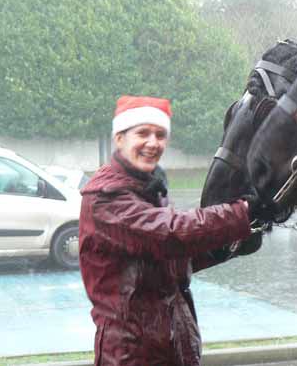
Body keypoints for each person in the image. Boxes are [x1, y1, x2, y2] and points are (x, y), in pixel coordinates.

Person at [79, 95, 263, 366]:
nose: (153, 143)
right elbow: (170, 234)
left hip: (171, 347)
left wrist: (230, 246)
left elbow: (171, 260)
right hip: (131, 355)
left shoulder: (148, 189)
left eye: (160, 135)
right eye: (142, 133)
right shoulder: (106, 198)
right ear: (119, 139)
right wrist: (242, 213)